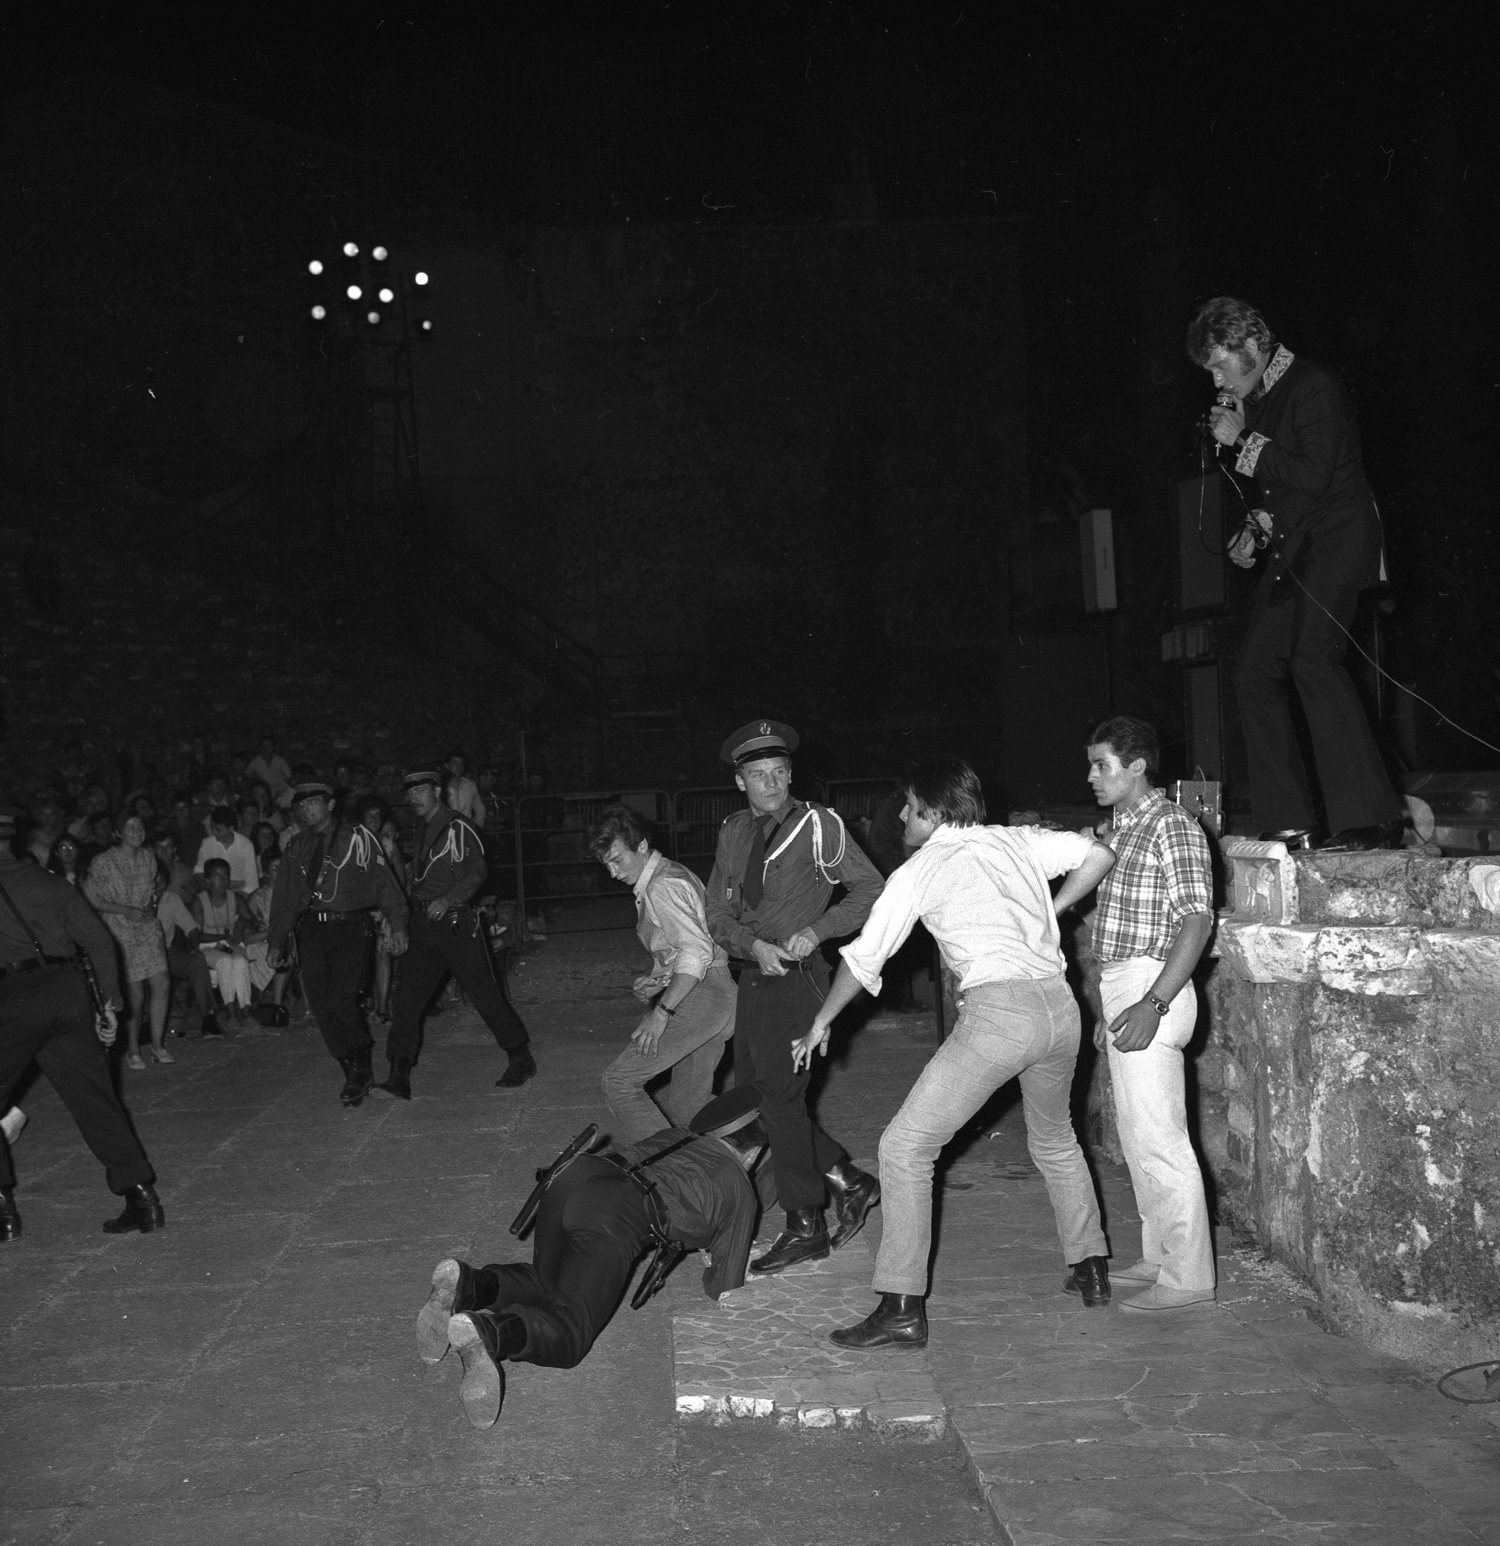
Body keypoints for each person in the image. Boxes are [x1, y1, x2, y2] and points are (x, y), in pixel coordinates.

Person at [795, 758, 1118, 1349]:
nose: (900, 816)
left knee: (904, 1148)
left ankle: (899, 1308)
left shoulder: (921, 871)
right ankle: (1090, 1267)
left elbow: (866, 958)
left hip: (1001, 1016)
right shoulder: (1016, 842)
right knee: (1055, 1138)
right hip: (1060, 1010)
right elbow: (1095, 854)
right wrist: (1053, 909)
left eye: (909, 807)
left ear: (935, 812)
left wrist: (821, 1022)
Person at [416, 1088, 764, 1429]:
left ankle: (468, 1284)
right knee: (570, 1333)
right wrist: (710, 1262)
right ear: (753, 1153)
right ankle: (490, 1332)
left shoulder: (678, 1134)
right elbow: (726, 1287)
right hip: (614, 1212)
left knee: (547, 1283)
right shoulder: (738, 1186)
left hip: (573, 1175)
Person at [1190, 295, 1402, 851]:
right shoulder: (1259, 399)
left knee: (1313, 659)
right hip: (1296, 546)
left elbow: (1312, 475)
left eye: (1218, 363)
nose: (1215, 377)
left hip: (1338, 541)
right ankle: (1291, 822)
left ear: (1253, 345)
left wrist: (1243, 441)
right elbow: (1283, 493)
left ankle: (1371, 818)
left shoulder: (1313, 385)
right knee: (1254, 669)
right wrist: (1254, 529)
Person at [705, 720, 884, 1274]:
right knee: (763, 1097)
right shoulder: (735, 831)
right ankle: (850, 1182)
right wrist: (751, 944)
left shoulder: (818, 826)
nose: (771, 785)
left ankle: (806, 1222)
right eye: (758, 776)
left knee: (781, 1099)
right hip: (756, 977)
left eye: (779, 774)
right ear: (741, 782)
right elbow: (716, 913)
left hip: (803, 978)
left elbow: (871, 888)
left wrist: (821, 929)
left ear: (791, 774)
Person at [1085, 717, 1218, 1311]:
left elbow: (1197, 919)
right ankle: (1160, 1257)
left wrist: (1152, 1002)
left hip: (1153, 986)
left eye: (1102, 764)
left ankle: (1189, 1278)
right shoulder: (1124, 829)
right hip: (1126, 986)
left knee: (1161, 1139)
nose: (1092, 776)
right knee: (1140, 1139)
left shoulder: (1172, 826)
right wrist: (1108, 1007)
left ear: (1137, 767)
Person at [0, 806, 166, 1242]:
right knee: (97, 1100)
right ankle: (141, 1198)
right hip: (68, 993)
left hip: (12, 997)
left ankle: (3, 1212)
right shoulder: (49, 881)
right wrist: (108, 1004)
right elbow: (98, 940)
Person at [380, 766, 534, 1100]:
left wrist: (449, 898)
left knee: (483, 992)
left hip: (454, 922)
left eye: (420, 791)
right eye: (410, 793)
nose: (413, 798)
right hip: (424, 923)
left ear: (438, 791)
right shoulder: (421, 827)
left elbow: (477, 872)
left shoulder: (458, 827)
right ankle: (399, 1072)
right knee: (407, 997)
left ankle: (519, 1055)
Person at [588, 803, 736, 1141]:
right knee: (689, 1104)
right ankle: (773, 1152)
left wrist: (662, 1011)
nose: (612, 873)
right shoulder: (672, 873)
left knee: (620, 1082)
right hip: (718, 995)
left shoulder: (661, 885)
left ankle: (672, 1169)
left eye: (617, 860)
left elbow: (697, 951)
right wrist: (659, 979)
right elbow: (693, 942)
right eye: (606, 864)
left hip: (701, 999)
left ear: (641, 846)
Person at [266, 780, 409, 1106]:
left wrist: (398, 924)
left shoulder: (358, 839)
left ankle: (360, 1069)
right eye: (300, 805)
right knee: (320, 1005)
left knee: (341, 1000)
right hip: (311, 932)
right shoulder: (296, 846)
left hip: (350, 929)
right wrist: (277, 941)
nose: (306, 809)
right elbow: (285, 898)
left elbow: (384, 884)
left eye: (313, 802)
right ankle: (351, 1068)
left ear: (330, 804)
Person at [84, 814, 173, 1069]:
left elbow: (152, 892)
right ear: (119, 832)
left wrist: (148, 909)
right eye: (130, 827)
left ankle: (157, 1044)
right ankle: (133, 1048)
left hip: (145, 927)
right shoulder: (103, 862)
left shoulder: (148, 857)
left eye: (141, 827)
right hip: (119, 928)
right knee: (135, 994)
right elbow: (92, 899)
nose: (137, 831)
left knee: (162, 983)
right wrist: (124, 910)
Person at [156, 861, 221, 1037]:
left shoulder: (171, 899)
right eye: (154, 880)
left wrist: (194, 947)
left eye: (162, 881)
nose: (158, 885)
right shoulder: (137, 901)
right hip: (145, 956)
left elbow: (191, 928)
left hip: (167, 953)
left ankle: (208, 1017)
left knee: (198, 961)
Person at [194, 858, 254, 1024]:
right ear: (207, 880)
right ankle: (230, 1010)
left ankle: (246, 1009)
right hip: (208, 946)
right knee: (225, 961)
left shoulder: (234, 898)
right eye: (217, 876)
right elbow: (196, 935)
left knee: (241, 961)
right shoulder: (199, 901)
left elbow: (250, 919)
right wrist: (221, 937)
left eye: (226, 876)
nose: (223, 880)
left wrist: (240, 926)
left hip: (229, 944)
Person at [194, 806, 258, 894]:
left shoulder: (246, 845)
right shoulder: (207, 843)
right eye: (212, 828)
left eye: (218, 829)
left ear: (230, 828)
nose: (213, 832)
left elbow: (251, 884)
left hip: (239, 895)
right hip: (213, 893)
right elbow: (199, 870)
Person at [247, 736, 293, 807]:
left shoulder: (280, 761)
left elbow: (289, 778)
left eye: (268, 746)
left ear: (273, 747)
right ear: (260, 747)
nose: (266, 748)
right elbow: (247, 776)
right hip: (265, 792)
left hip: (281, 791)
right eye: (263, 745)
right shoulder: (255, 762)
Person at [444, 751, 486, 826]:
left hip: (465, 830)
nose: (459, 766)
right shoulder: (441, 786)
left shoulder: (470, 785)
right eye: (455, 763)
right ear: (447, 766)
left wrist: (475, 827)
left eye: (461, 763)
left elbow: (480, 809)